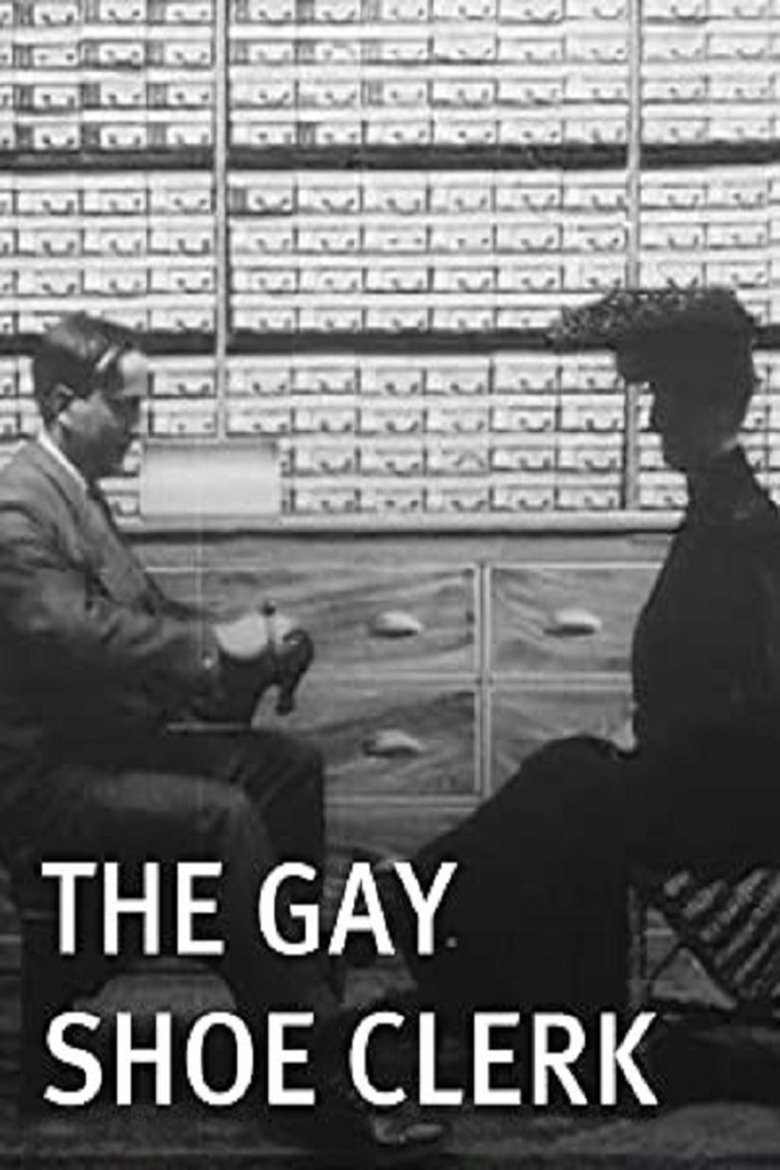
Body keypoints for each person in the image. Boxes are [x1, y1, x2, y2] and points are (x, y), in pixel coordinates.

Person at [0, 313, 441, 1155]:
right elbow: (76, 634)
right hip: (46, 786)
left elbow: (147, 612)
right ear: (62, 403)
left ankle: (299, 1006)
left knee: (287, 767)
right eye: (125, 408)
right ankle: (315, 1075)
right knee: (225, 818)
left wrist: (250, 641)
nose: (139, 427)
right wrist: (213, 648)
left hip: (101, 752)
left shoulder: (73, 492)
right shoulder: (19, 505)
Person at [376, 286, 780, 1030]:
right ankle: (511, 988)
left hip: (736, 807)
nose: (652, 420)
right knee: (571, 775)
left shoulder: (745, 535)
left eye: (664, 397)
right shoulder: (722, 516)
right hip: (699, 780)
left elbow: (753, 711)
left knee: (577, 789)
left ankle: (452, 942)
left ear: (705, 404)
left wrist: (650, 748)